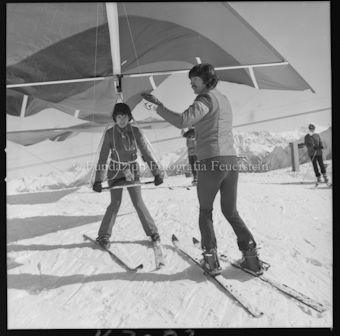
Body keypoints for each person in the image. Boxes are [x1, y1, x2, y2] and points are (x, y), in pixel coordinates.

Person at [141, 63, 266, 275]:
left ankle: (210, 260)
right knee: (230, 211)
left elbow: (182, 120)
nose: (191, 84)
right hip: (230, 161)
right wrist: (196, 130)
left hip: (211, 162)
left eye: (195, 80)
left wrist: (157, 107)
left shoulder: (205, 99)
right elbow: (211, 122)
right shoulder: (223, 99)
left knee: (205, 211)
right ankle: (251, 258)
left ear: (207, 79)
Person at [92, 103, 164, 249]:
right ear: (115, 118)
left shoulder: (135, 131)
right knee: (115, 203)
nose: (122, 120)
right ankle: (104, 236)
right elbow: (103, 157)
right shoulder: (109, 133)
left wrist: (156, 173)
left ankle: (153, 233)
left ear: (129, 117)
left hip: (132, 169)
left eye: (125, 116)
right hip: (115, 170)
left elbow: (145, 152)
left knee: (138, 202)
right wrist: (98, 180)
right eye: (119, 117)